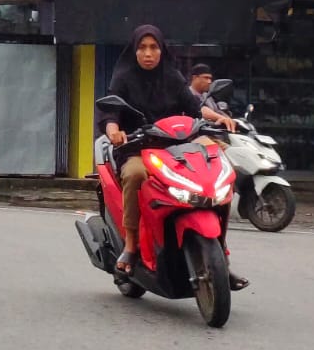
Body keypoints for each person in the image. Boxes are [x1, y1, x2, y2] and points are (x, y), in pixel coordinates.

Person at [98, 25, 240, 279]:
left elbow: (194, 107)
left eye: (154, 47)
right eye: (142, 48)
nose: (148, 53)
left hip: (175, 145)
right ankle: (131, 244)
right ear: (134, 51)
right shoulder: (123, 78)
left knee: (222, 161)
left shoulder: (172, 76)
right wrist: (114, 131)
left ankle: (221, 249)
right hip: (138, 146)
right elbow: (111, 114)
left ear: (162, 50)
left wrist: (218, 117)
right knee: (134, 175)